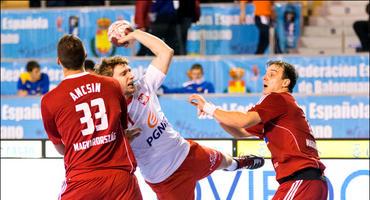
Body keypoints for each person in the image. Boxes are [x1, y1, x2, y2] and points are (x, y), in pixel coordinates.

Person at [95, 29, 265, 200]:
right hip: (166, 177)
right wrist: (123, 139)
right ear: (110, 82)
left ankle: (238, 163)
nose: (131, 75)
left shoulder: (143, 86)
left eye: (130, 70)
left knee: (225, 161)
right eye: (124, 74)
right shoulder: (109, 112)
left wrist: (135, 34)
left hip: (186, 151)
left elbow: (165, 52)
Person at [188, 60, 328, 200]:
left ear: (285, 83)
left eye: (272, 75)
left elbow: (244, 120)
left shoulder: (277, 98)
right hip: (310, 182)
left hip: (301, 181)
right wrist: (215, 115)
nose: (264, 77)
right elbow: (240, 132)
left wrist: (209, 108)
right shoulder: (282, 107)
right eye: (265, 74)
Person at [40, 35, 142, 200]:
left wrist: (84, 147)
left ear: (58, 61)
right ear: (85, 55)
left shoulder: (49, 100)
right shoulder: (112, 85)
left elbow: (60, 148)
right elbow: (122, 129)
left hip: (81, 181)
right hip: (121, 180)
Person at [135, 0, 200, 56]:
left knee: (171, 45)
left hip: (168, 19)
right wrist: (141, 24)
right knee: (150, 46)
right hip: (162, 19)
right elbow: (141, 6)